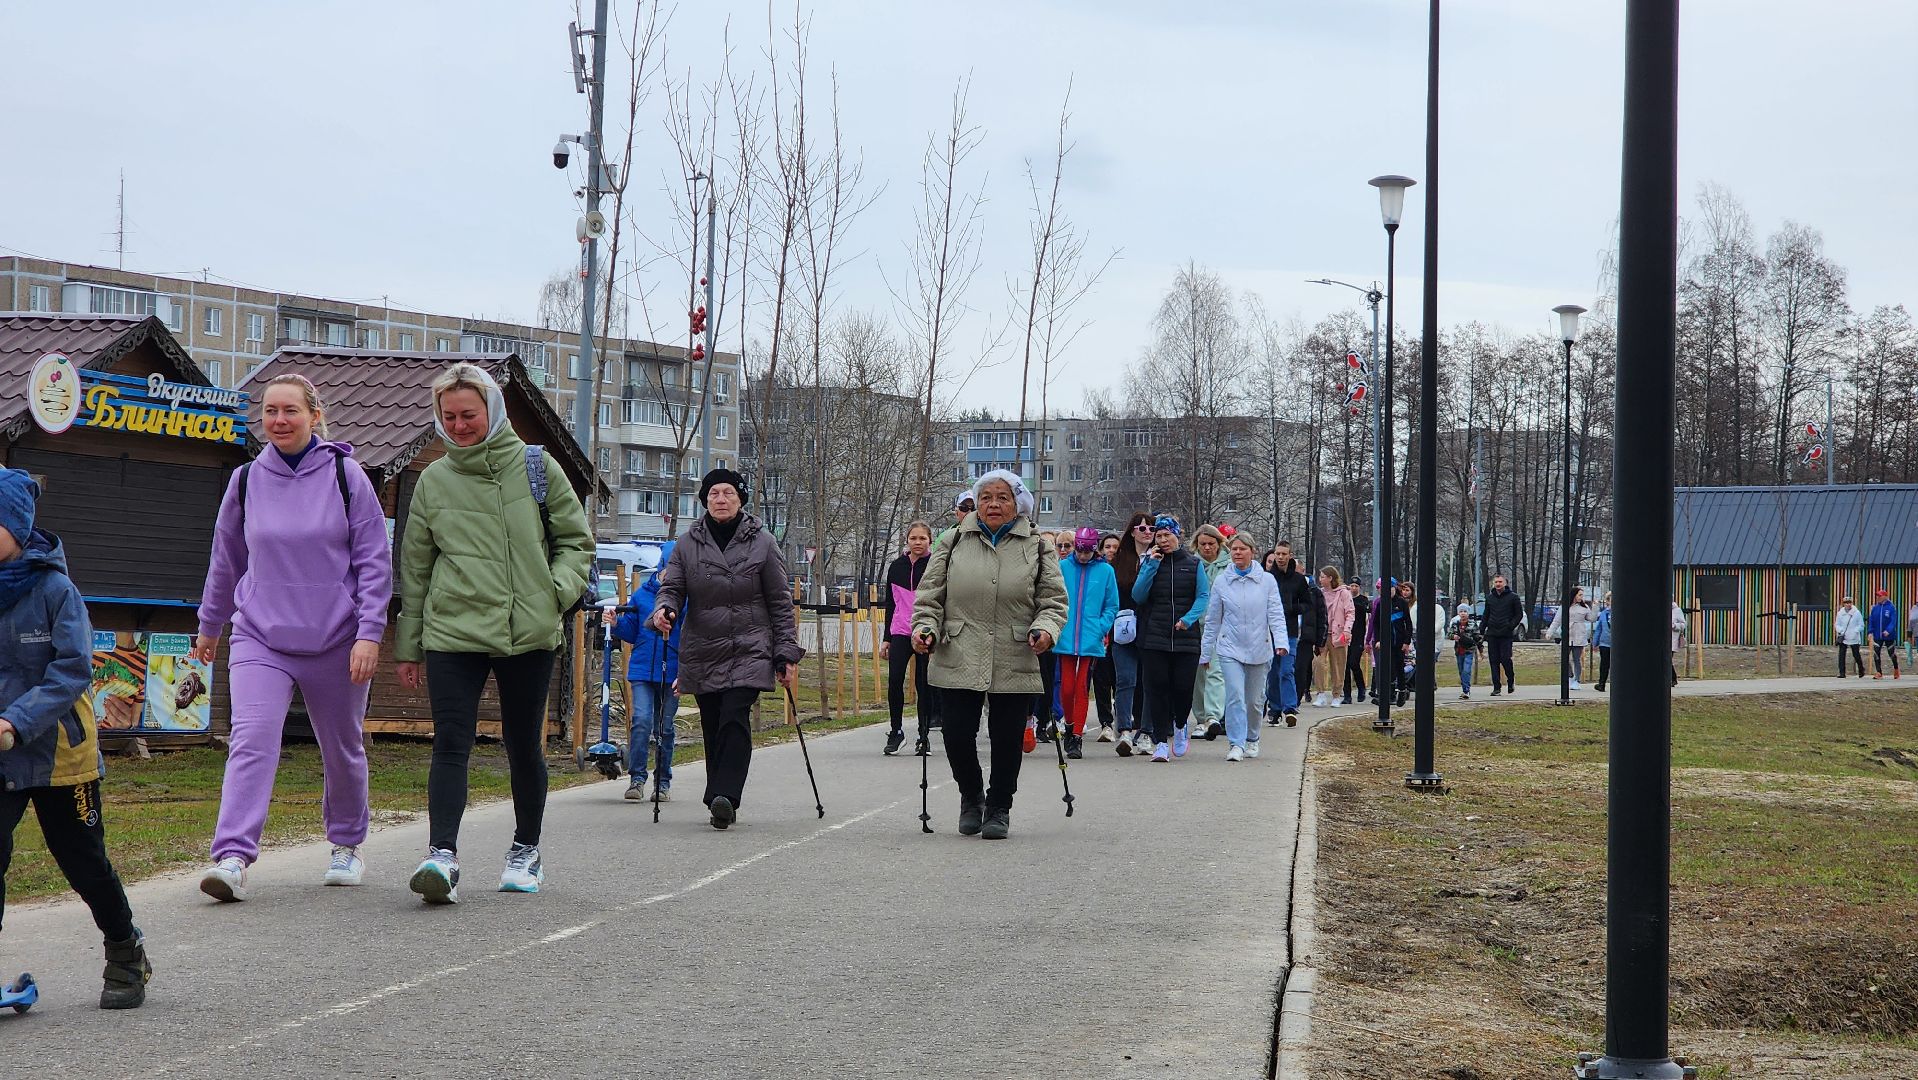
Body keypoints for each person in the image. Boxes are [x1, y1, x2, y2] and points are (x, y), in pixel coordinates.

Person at [395, 363, 595, 903]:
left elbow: (577, 543)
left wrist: (551, 593)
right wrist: (409, 645)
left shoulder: (537, 466)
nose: (458, 425)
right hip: (452, 632)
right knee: (451, 742)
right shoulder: (434, 481)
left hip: (525, 631)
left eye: (469, 415)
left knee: (523, 744)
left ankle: (525, 851)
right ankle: (442, 856)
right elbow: (415, 569)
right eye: (449, 416)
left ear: (493, 411)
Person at [193, 374, 391, 901]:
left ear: (315, 416)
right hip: (261, 635)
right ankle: (232, 856)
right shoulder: (244, 482)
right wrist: (210, 624)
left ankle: (347, 844)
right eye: (271, 412)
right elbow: (226, 560)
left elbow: (375, 562)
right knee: (252, 739)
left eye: (290, 411)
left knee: (341, 747)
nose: (279, 421)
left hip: (337, 637)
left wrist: (369, 632)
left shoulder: (348, 478)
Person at [0, 468, 152, 1009]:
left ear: (17, 527)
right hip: (1, 754)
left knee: (82, 860)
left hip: (60, 752)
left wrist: (16, 721)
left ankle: (125, 952)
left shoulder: (56, 590)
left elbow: (72, 670)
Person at [911, 470, 1067, 840]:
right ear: (975, 503)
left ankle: (999, 807)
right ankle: (971, 796)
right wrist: (924, 628)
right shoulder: (952, 541)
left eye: (1002, 497)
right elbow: (929, 596)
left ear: (1018, 504)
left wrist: (1046, 629)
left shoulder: (1037, 546)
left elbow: (1053, 601)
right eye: (986, 498)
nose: (993, 504)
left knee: (1007, 737)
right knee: (957, 734)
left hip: (1015, 649)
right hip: (958, 648)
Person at [652, 469, 805, 830]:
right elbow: (672, 586)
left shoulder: (763, 543)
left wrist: (785, 653)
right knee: (712, 721)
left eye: (729, 493)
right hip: (704, 647)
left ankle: (725, 795)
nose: (721, 499)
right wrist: (664, 609)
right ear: (705, 500)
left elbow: (780, 602)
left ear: (740, 500)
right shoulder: (688, 544)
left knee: (735, 716)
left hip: (751, 646)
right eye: (714, 493)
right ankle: (719, 794)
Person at [1200, 534, 1289, 761]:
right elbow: (1213, 620)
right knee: (1235, 696)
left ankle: (1252, 739)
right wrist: (1205, 651)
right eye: (1234, 549)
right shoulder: (1222, 581)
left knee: (1254, 700)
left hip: (1260, 648)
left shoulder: (1267, 581)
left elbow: (1276, 614)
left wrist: (1281, 642)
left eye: (1242, 549)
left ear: (1253, 551)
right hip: (1230, 648)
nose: (1237, 553)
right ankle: (1236, 743)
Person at [607, 542, 682, 801]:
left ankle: (662, 783)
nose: (674, 573)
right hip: (641, 670)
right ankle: (637, 779)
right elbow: (632, 631)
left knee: (665, 728)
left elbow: (692, 638)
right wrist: (617, 624)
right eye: (671, 566)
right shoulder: (641, 595)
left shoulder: (686, 599)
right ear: (662, 566)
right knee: (641, 722)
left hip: (672, 671)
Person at [1132, 515, 1210, 762]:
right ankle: (1159, 742)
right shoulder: (1149, 562)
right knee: (1157, 689)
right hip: (1155, 636)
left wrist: (1188, 619)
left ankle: (1179, 726)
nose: (1163, 540)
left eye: (1168, 535)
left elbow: (1203, 596)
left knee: (1182, 688)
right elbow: (1138, 595)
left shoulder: (1194, 564)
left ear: (1178, 536)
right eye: (1159, 536)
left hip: (1186, 638)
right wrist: (1151, 566)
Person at [1054, 527, 1119, 759]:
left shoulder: (1105, 571)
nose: (1082, 556)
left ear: (1095, 550)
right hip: (1066, 635)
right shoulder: (1062, 568)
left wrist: (1101, 627)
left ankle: (1077, 736)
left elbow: (1112, 605)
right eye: (1079, 551)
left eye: (1087, 552)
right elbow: (1053, 598)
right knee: (1066, 686)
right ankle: (1069, 724)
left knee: (1082, 686)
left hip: (1091, 636)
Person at [880, 523, 935, 756]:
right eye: (913, 538)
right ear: (907, 541)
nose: (918, 542)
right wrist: (886, 638)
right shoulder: (896, 566)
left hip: (924, 631)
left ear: (930, 540)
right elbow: (890, 603)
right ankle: (896, 731)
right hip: (900, 631)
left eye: (922, 538)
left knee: (924, 684)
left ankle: (924, 736)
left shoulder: (935, 565)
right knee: (895, 681)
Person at [1109, 512, 1154, 755]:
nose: (1146, 532)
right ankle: (1124, 730)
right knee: (1126, 679)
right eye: (1141, 528)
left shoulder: (1160, 558)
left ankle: (1146, 731)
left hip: (1151, 628)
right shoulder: (1119, 561)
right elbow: (1112, 595)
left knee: (1149, 682)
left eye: (1151, 528)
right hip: (1124, 628)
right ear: (1132, 531)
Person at [1189, 525, 1231, 738]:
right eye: (1203, 544)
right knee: (1198, 674)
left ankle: (1213, 717)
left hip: (1221, 627)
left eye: (1211, 544)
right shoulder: (1191, 564)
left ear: (1219, 544)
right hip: (1196, 626)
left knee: (1215, 670)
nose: (1207, 548)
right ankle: (1200, 718)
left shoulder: (1230, 566)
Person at [1267, 542, 1312, 727]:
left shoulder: (1298, 580)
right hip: (1269, 631)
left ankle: (1290, 708)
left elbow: (1307, 604)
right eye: (1277, 553)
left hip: (1290, 631)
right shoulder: (1268, 578)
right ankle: (1275, 708)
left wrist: (1293, 608)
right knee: (1272, 671)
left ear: (1290, 555)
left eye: (1284, 554)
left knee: (1287, 670)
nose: (1280, 557)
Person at [1091, 533, 1123, 740]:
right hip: (1100, 631)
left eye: (1115, 547)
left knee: (1121, 678)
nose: (1111, 550)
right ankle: (1106, 723)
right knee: (1101, 679)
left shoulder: (1124, 571)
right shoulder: (1097, 571)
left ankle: (1122, 715)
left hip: (1122, 631)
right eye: (1107, 546)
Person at [1314, 567, 1352, 708]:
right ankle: (1320, 693)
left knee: (1338, 666)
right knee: (1318, 663)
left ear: (1330, 578)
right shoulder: (1319, 593)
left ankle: (1336, 695)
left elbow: (1350, 613)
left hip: (1339, 635)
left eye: (1323, 576)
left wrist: (1347, 630)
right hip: (1323, 635)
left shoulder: (1344, 593)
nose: (1320, 579)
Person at [1481, 575, 1524, 696]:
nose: (1498, 584)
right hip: (1492, 633)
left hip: (1506, 633)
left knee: (1505, 659)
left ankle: (1510, 680)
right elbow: (1486, 615)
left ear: (1505, 583)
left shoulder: (1513, 597)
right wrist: (1481, 630)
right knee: (1493, 661)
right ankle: (1496, 687)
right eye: (1496, 582)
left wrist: (1510, 626)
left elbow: (1518, 614)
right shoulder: (1490, 598)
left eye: (1500, 582)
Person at [1549, 587, 1598, 690]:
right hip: (1567, 635)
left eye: (1582, 595)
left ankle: (1577, 680)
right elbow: (1556, 621)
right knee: (1565, 658)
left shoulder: (1584, 607)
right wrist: (1550, 632)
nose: (1581, 597)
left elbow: (1592, 618)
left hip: (1579, 636)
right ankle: (1570, 676)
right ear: (1574, 595)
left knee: (1577, 659)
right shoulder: (1565, 606)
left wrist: (1595, 607)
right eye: (1579, 595)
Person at [1447, 602, 1483, 700]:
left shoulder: (1472, 624)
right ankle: (1464, 689)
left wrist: (1480, 650)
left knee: (1466, 670)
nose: (1463, 613)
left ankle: (1466, 690)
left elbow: (1478, 637)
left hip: (1469, 650)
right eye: (1461, 611)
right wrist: (1453, 636)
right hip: (1459, 650)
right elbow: (1449, 634)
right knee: (1461, 670)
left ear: (1468, 613)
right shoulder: (1455, 624)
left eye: (1465, 611)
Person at [1344, 582, 1370, 705]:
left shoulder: (1362, 600)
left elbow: (1365, 609)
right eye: (1352, 586)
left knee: (1353, 663)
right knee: (1345, 666)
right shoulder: (1344, 598)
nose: (1353, 588)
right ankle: (1347, 694)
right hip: (1346, 635)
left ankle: (1361, 687)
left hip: (1358, 637)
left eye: (1356, 586)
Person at [1868, 588, 1902, 680]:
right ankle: (1879, 672)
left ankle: (1896, 668)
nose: (1878, 597)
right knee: (1876, 652)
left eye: (1880, 596)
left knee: (1891, 653)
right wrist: (1870, 632)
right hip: (1877, 635)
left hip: (1888, 635)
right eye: (1877, 596)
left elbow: (1893, 621)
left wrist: (1888, 630)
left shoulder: (1891, 607)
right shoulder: (1875, 608)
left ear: (1885, 596)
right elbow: (1871, 620)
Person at [1833, 595, 1866, 679]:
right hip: (1843, 636)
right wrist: (1840, 630)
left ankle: (1861, 669)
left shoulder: (1857, 613)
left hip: (1854, 637)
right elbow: (1837, 624)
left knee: (1856, 654)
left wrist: (1855, 631)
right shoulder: (1840, 613)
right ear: (1843, 604)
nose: (1848, 604)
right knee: (1841, 655)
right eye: (1846, 603)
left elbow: (1861, 625)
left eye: (1849, 602)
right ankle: (1842, 672)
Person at [1592, 592, 1614, 692]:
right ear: (1608, 601)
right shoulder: (1604, 613)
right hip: (1605, 643)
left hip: (1618, 645)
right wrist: (1595, 642)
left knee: (1617, 664)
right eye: (1610, 600)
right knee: (1604, 664)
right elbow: (1599, 628)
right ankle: (1602, 684)